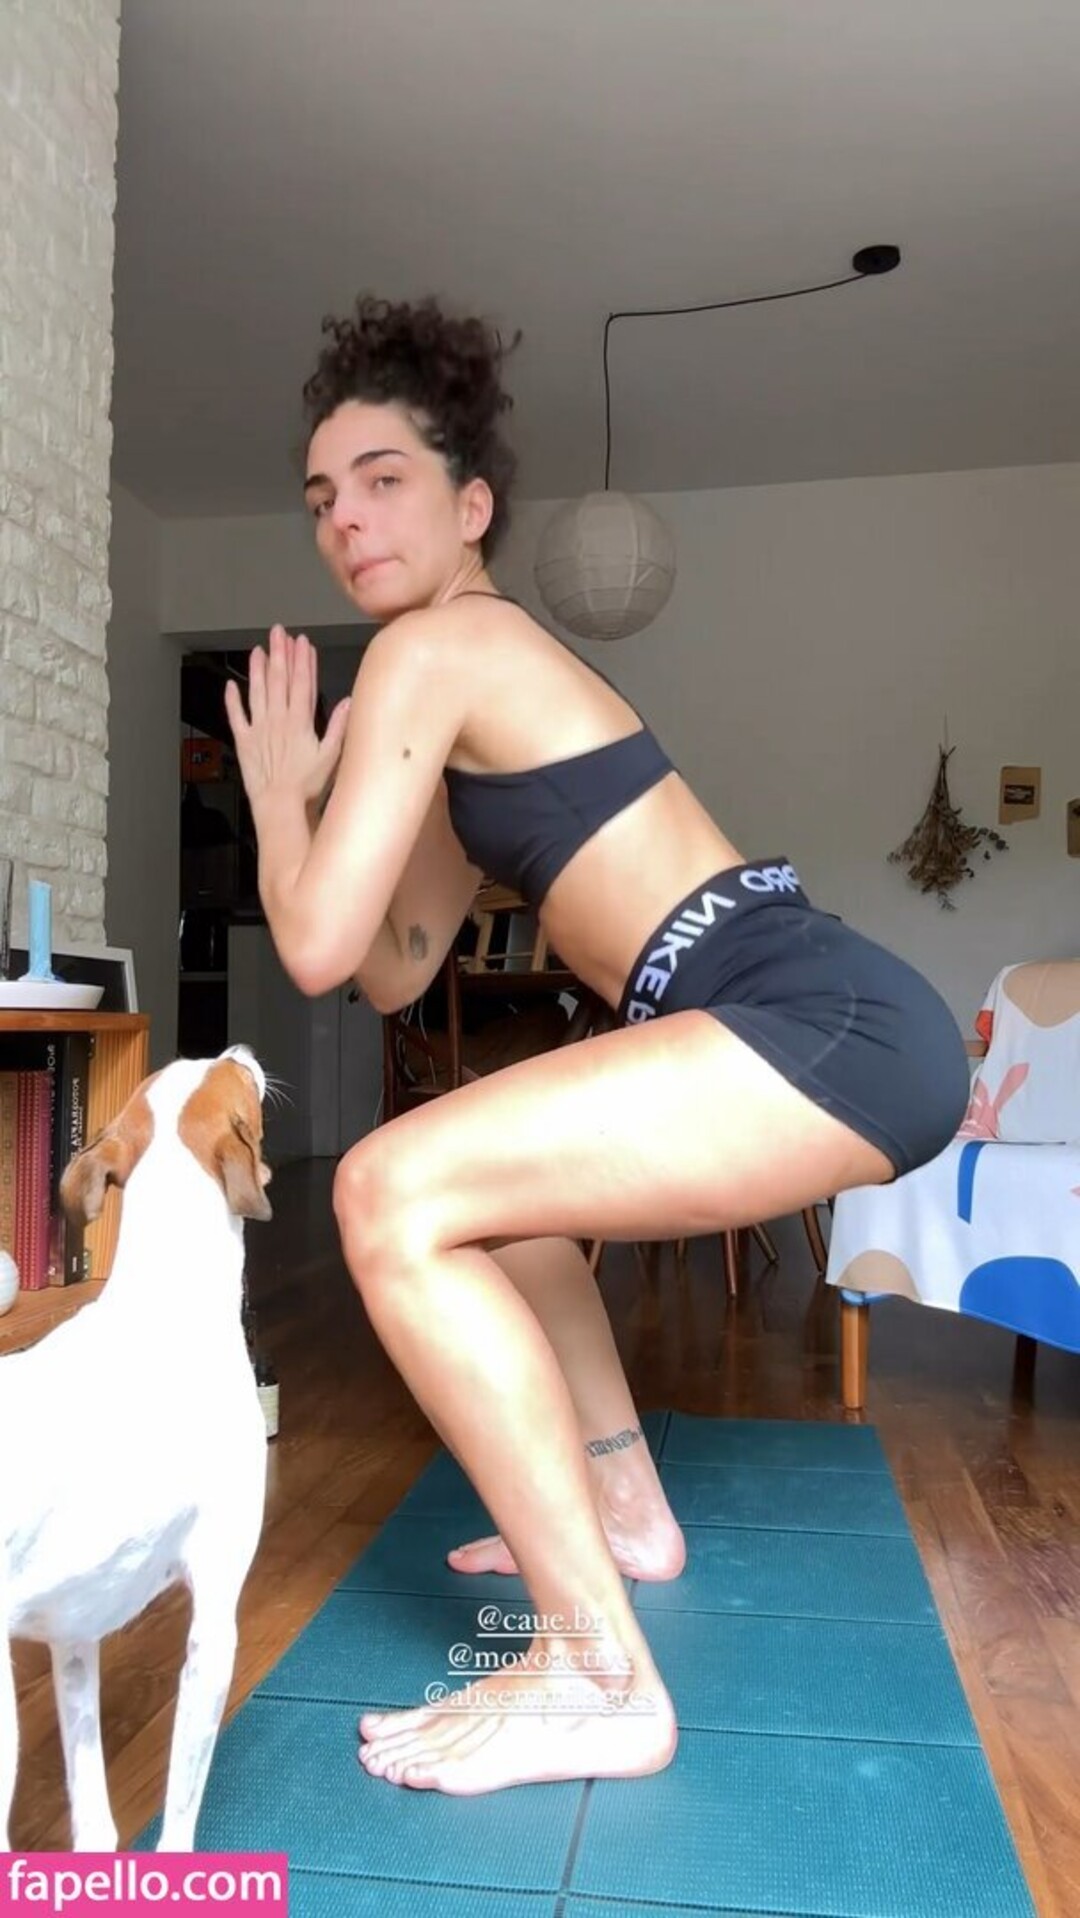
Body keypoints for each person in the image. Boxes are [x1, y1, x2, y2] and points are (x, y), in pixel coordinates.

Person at [224, 293, 970, 1797]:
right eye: (321, 497)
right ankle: (627, 1512)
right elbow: (389, 967)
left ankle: (593, 1672)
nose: (345, 519)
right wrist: (316, 812)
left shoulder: (436, 649)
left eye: (383, 479)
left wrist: (276, 796)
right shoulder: (463, 685)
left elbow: (303, 947)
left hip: (807, 1013)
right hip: (822, 1015)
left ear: (471, 507)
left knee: (383, 1190)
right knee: (501, 1209)